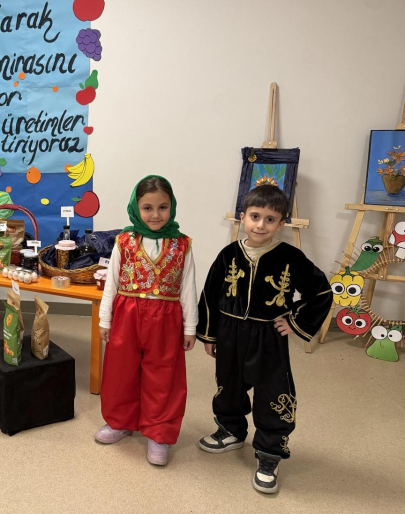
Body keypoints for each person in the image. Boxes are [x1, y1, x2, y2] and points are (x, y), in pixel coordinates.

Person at [196, 184, 333, 494]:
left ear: (281, 223)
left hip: (267, 336)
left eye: (270, 219)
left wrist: (295, 321)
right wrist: (209, 334)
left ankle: (270, 454)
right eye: (255, 216)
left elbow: (322, 292)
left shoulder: (290, 257)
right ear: (243, 217)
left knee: (273, 393)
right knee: (228, 384)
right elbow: (210, 295)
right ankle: (231, 430)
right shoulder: (228, 254)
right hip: (230, 334)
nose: (260, 225)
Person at [96, 175, 197, 466]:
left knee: (164, 376)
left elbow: (188, 287)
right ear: (136, 207)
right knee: (121, 371)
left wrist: (190, 326)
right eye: (147, 208)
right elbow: (112, 283)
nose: (155, 215)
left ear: (172, 206)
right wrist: (105, 319)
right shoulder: (124, 241)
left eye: (163, 207)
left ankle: (159, 433)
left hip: (166, 320)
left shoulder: (182, 244)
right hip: (127, 315)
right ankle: (120, 421)